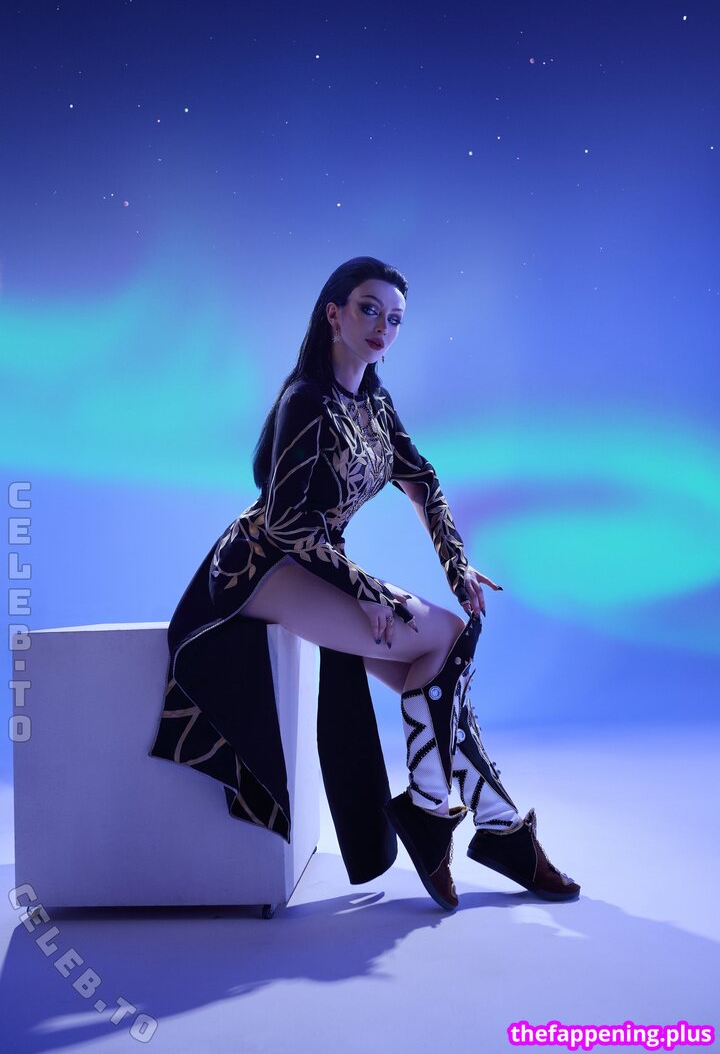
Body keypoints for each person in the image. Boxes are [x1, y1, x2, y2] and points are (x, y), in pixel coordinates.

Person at [149, 255, 579, 911]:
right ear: (335, 314)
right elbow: (286, 523)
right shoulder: (305, 401)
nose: (383, 327)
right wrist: (367, 591)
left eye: (396, 319)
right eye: (369, 310)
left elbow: (422, 480)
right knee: (447, 639)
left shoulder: (374, 401)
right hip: (258, 568)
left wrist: (456, 563)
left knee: (438, 677)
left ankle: (483, 825)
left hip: (315, 561)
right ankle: (453, 820)